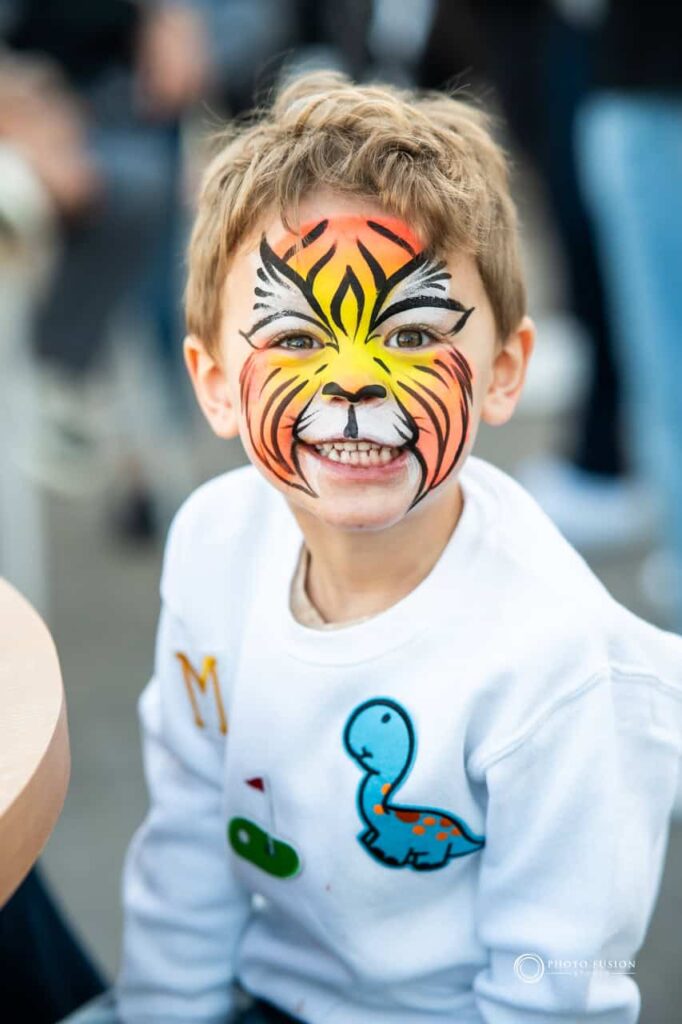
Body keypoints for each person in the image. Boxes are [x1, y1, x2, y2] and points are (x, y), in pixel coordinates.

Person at [107, 74, 682, 1023]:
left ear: (503, 373)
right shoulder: (213, 544)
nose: (353, 381)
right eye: (296, 338)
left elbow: (552, 994)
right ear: (214, 386)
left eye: (412, 332)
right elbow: (188, 844)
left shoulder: (558, 666)